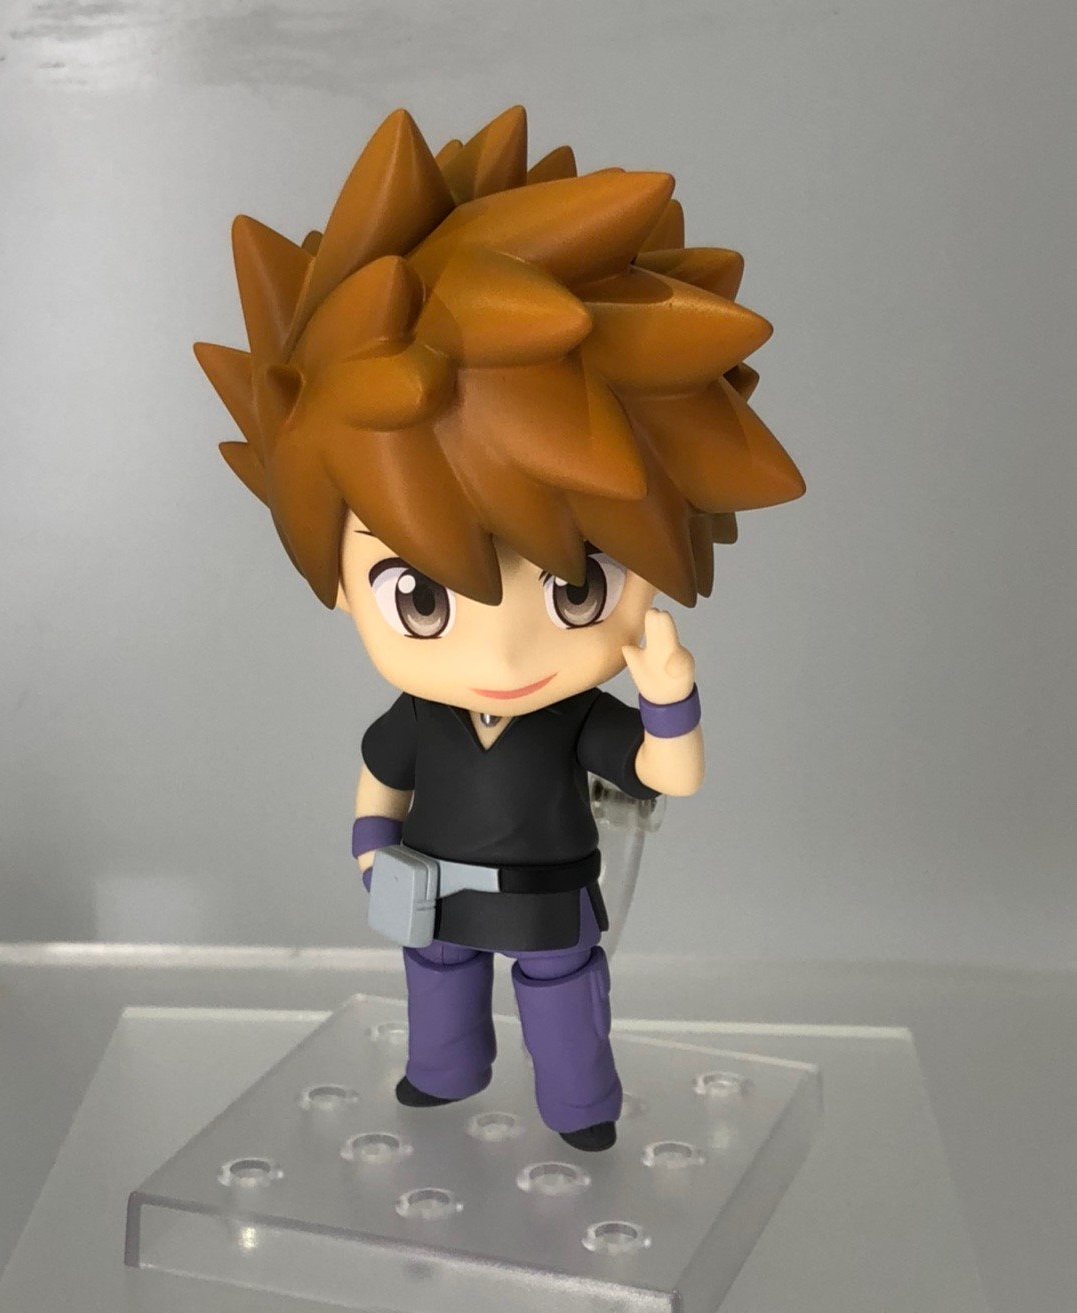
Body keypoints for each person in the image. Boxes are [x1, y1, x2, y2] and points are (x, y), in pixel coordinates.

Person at [196, 104, 804, 1151]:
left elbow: (667, 775)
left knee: (562, 990)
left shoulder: (571, 719)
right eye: (421, 598)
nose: (506, 652)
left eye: (579, 588)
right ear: (338, 581)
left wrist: (667, 695)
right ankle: (443, 1072)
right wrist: (370, 852)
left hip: (547, 898)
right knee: (435, 978)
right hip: (433, 890)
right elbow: (379, 781)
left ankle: (579, 1106)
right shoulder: (418, 718)